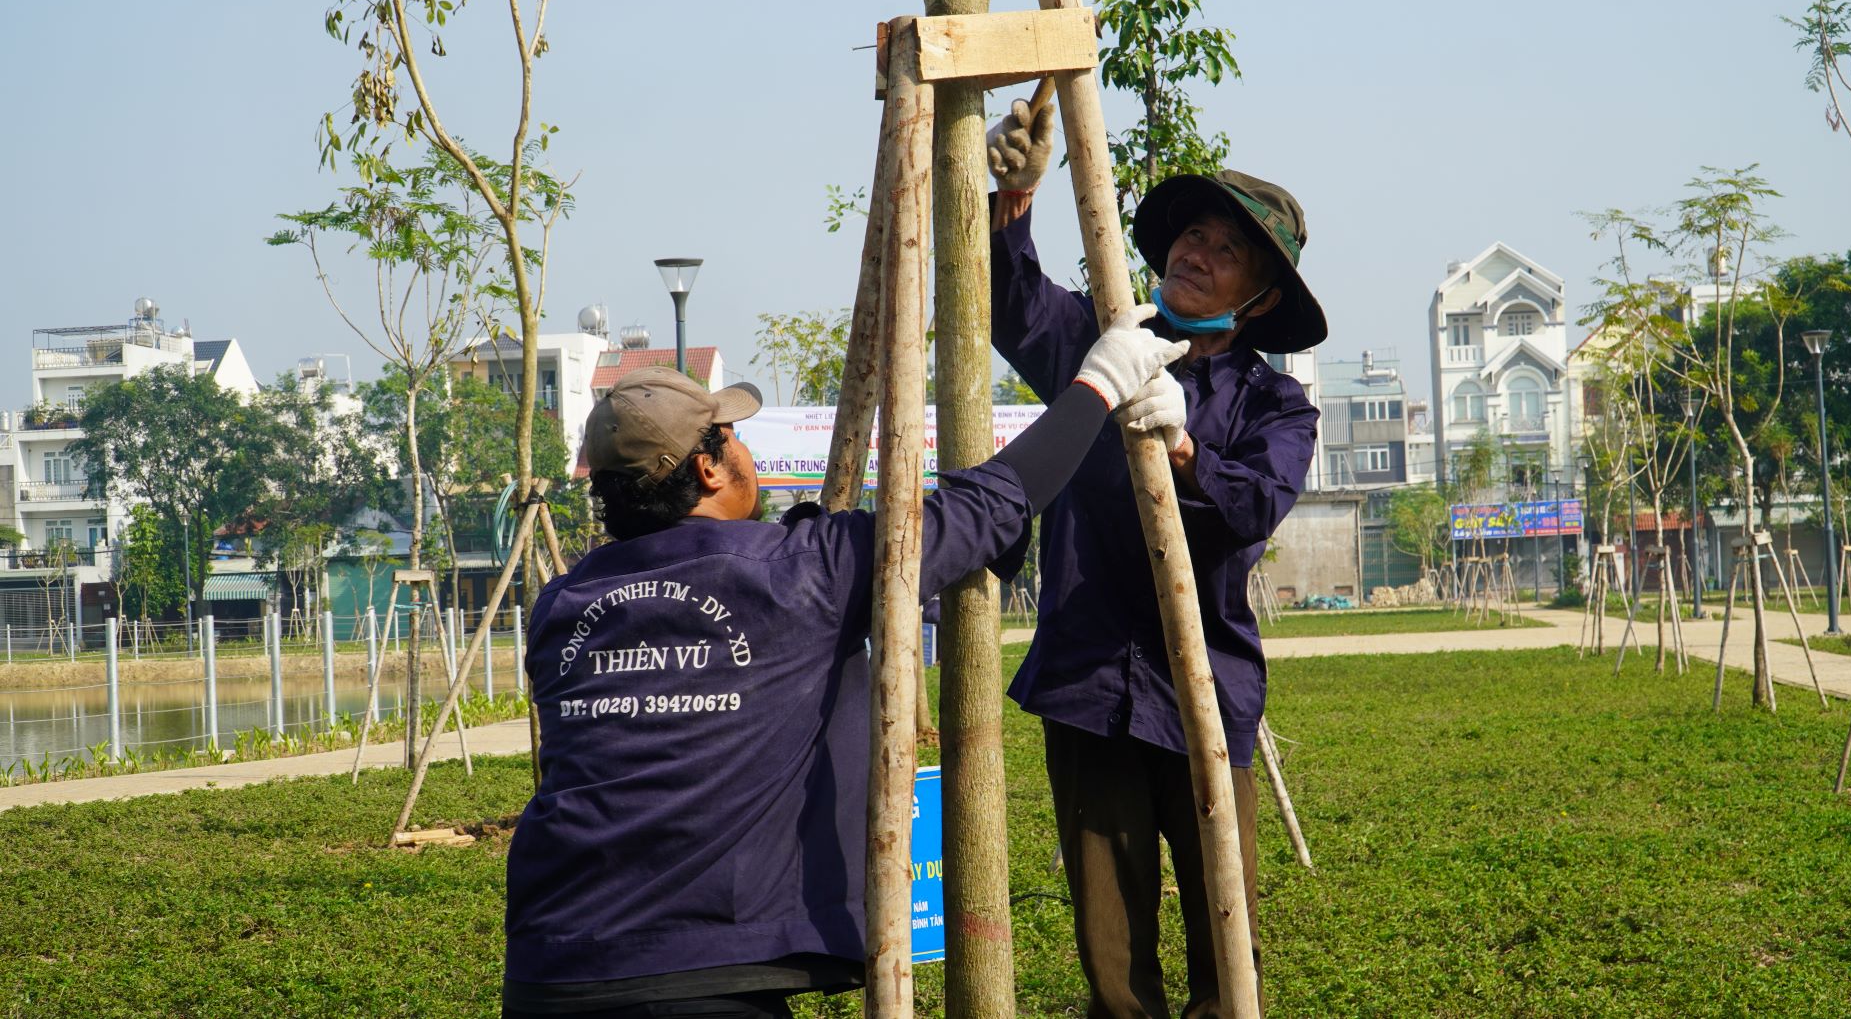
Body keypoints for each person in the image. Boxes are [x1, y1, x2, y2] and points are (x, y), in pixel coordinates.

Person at [502, 309, 1188, 1019]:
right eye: (732, 436)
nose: (747, 453)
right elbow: (993, 503)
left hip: (547, 963)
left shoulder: (561, 603)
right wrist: (1099, 384)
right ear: (708, 466)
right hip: (701, 971)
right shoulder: (799, 571)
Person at [986, 96, 1326, 1018]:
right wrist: (1013, 199)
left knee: (1228, 943)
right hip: (1089, 680)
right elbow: (1012, 307)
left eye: (1225, 250)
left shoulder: (1275, 405)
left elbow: (1252, 506)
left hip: (1206, 688)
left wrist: (1182, 447)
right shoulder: (1103, 341)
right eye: (1193, 235)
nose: (1196, 252)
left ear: (1259, 298)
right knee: (1113, 955)